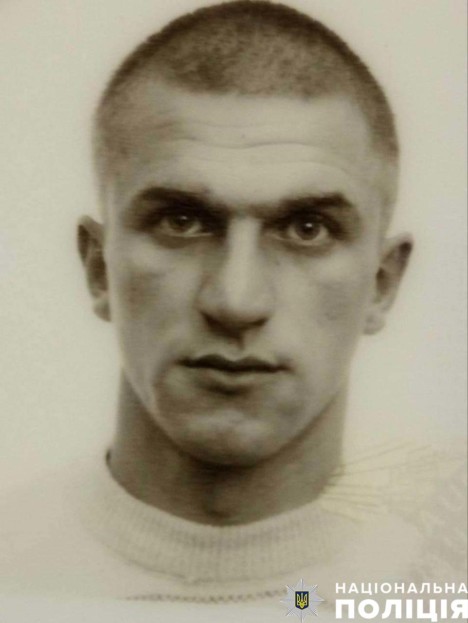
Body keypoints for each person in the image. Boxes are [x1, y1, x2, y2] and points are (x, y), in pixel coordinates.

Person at [1, 1, 466, 620]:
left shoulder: (446, 590)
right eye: (181, 221)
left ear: (381, 285)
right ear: (98, 268)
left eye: (306, 229)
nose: (236, 301)